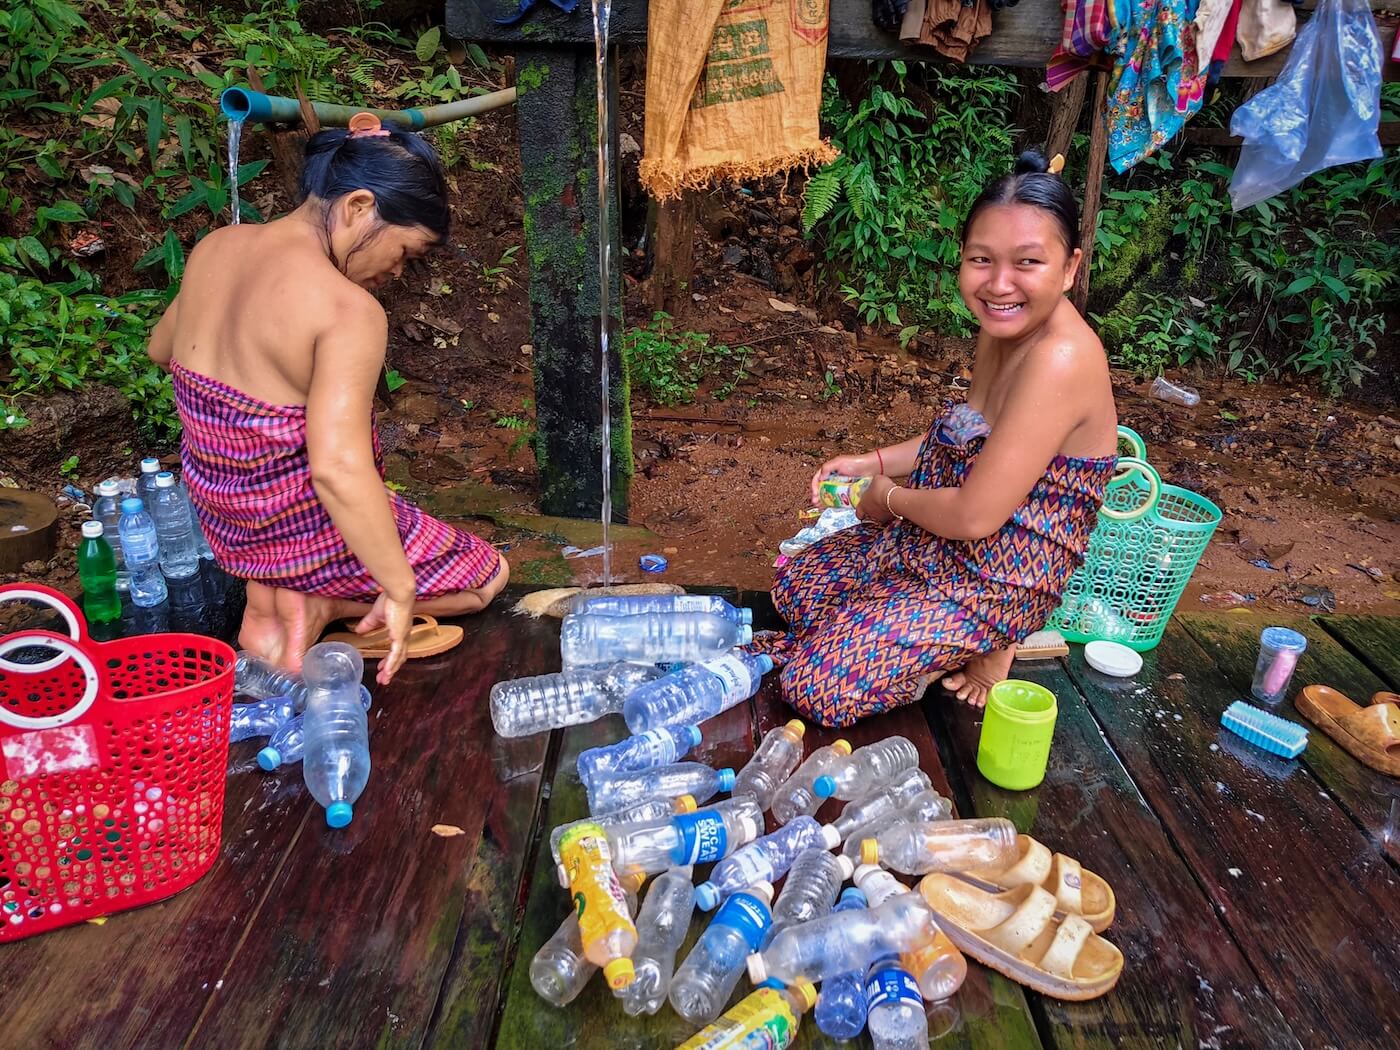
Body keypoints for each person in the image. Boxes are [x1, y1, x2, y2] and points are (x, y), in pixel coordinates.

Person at [751, 150, 1117, 726]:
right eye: (981, 260)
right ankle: (919, 634)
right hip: (937, 545)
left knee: (814, 687)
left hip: (998, 576)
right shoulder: (1005, 323)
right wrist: (868, 460)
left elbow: (974, 515)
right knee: (796, 588)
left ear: (1070, 269)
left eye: (1027, 262)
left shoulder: (1061, 359)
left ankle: (994, 636)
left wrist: (885, 497)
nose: (999, 284)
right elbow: (960, 437)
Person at [145, 114, 507, 685]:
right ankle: (324, 603)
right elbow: (336, 469)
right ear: (359, 206)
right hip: (301, 524)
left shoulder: (216, 247)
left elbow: (162, 348)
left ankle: (275, 599)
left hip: (226, 517)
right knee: (486, 576)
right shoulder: (347, 310)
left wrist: (243, 421)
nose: (397, 271)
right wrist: (398, 586)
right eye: (406, 252)